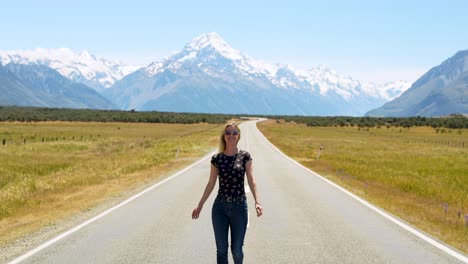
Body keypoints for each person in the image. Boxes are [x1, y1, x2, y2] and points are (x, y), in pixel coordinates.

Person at [192, 121, 263, 264]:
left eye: (234, 133)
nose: (231, 135)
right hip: (220, 208)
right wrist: (200, 205)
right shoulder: (217, 159)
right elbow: (211, 183)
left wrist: (257, 202)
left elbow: (251, 180)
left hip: (239, 207)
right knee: (222, 250)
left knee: (237, 250)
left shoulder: (245, 157)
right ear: (224, 136)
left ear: (239, 136)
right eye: (228, 133)